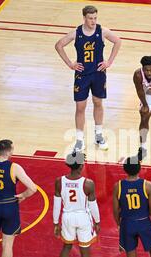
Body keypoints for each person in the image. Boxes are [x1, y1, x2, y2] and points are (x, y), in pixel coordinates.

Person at [55, 5, 122, 153]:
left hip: (98, 73)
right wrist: (70, 64)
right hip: (82, 75)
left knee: (98, 102)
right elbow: (59, 45)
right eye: (90, 18)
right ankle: (79, 140)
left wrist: (109, 62)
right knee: (80, 107)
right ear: (84, 18)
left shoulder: (102, 31)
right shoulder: (76, 33)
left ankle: (98, 135)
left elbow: (118, 41)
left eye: (95, 18)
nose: (93, 21)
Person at [53, 152, 101, 257]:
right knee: (85, 251)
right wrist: (97, 221)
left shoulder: (59, 181)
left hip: (67, 216)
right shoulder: (88, 183)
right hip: (83, 218)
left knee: (66, 248)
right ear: (81, 165)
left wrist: (56, 223)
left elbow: (56, 205)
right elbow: (93, 205)